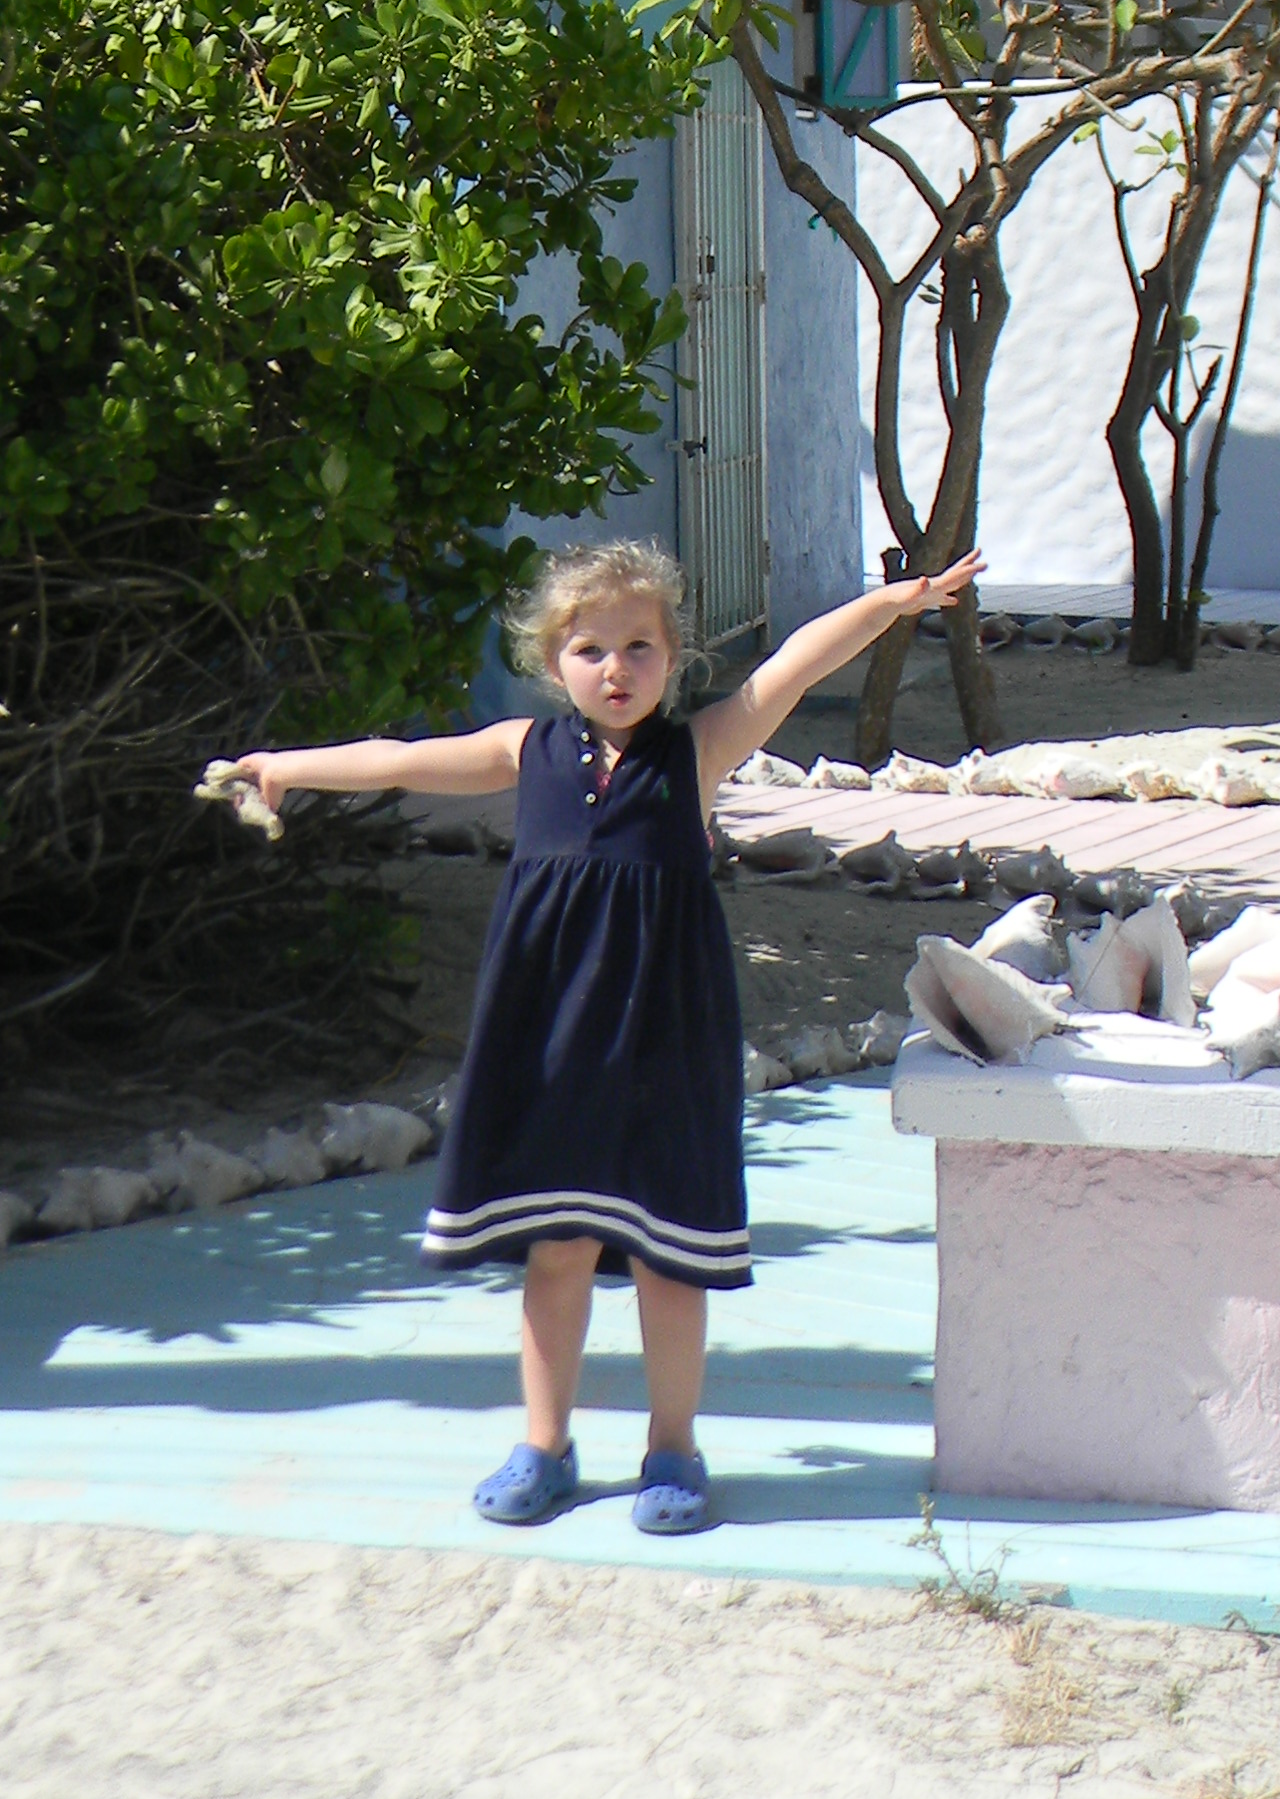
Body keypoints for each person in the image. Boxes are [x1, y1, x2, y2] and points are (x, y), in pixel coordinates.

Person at [233, 530, 982, 1535]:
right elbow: (400, 760)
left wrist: (892, 603)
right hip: (551, 1034)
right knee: (559, 1246)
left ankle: (673, 1448)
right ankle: (544, 1446)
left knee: (671, 1258)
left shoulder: (696, 750)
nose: (616, 668)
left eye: (639, 647)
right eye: (590, 649)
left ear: (673, 657)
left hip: (668, 1036)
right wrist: (286, 767)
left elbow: (794, 666)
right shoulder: (524, 751)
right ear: (554, 663)